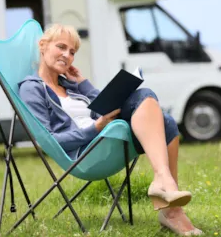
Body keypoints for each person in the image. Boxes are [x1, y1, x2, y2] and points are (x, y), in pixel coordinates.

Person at [18, 24, 202, 236]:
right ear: (43, 46)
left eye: (72, 52)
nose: (67, 55)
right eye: (61, 47)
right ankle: (164, 184)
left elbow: (102, 107)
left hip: (105, 136)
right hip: (86, 153)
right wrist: (96, 128)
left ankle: (171, 208)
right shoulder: (32, 88)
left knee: (167, 121)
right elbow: (49, 140)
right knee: (148, 98)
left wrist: (83, 84)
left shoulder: (69, 84)